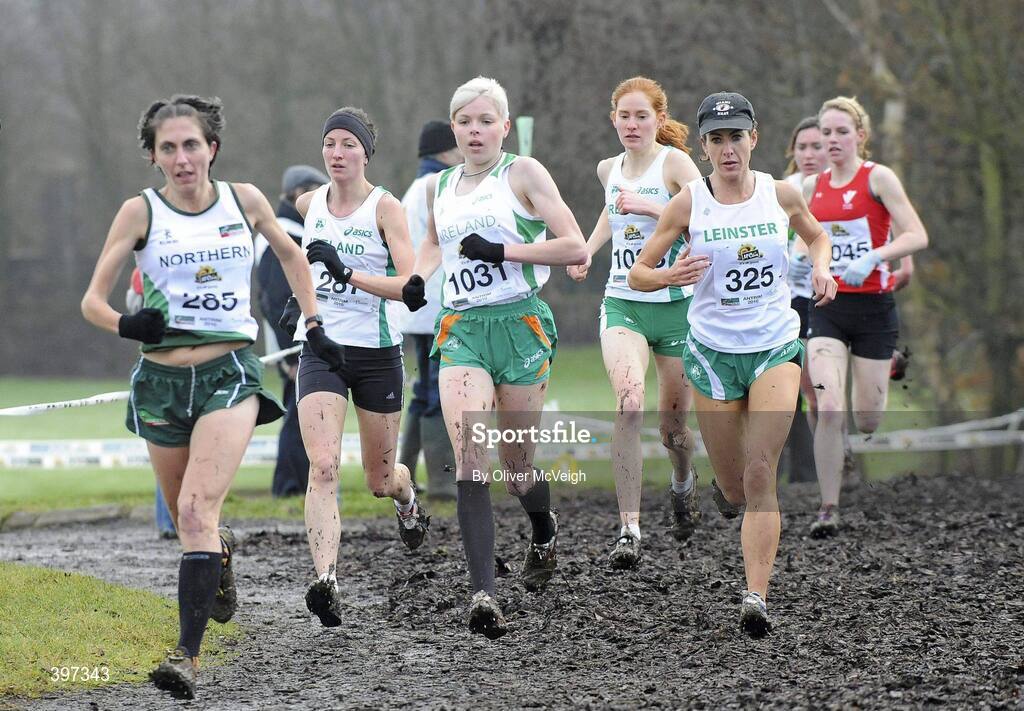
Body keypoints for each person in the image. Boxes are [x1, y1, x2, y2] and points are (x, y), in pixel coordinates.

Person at [81, 95, 345, 699]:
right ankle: (219, 554)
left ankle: (185, 657)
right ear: (153, 156)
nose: (182, 158)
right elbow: (92, 301)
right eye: (168, 148)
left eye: (191, 145)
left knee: (198, 511)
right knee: (188, 521)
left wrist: (315, 325)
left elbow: (290, 253)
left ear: (212, 149)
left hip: (229, 372)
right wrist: (128, 325)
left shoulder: (244, 200)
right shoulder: (137, 213)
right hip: (160, 382)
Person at [628, 92, 838, 637]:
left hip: (773, 346)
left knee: (761, 469)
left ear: (754, 138)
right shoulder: (688, 203)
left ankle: (755, 597)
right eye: (716, 139)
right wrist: (670, 277)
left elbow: (817, 235)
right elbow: (639, 274)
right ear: (703, 147)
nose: (728, 149)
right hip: (714, 354)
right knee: (736, 487)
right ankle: (724, 492)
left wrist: (821, 269)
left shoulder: (779, 193)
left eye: (736, 137)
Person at [401, 76, 587, 638]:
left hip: (521, 323)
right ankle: (484, 594)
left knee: (516, 469)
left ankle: (543, 528)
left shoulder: (523, 173)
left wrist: (504, 250)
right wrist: (417, 275)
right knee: (469, 455)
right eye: (465, 121)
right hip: (461, 328)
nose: (475, 131)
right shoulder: (441, 185)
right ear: (453, 127)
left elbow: (574, 245)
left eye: (486, 121)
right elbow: (433, 243)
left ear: (504, 125)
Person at [293, 107, 429, 629]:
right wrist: (301, 300)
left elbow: (410, 289)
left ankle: (408, 498)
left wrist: (344, 270)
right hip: (323, 351)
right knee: (323, 466)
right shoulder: (309, 204)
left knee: (378, 478)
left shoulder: (385, 208)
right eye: (329, 143)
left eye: (348, 143)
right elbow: (295, 265)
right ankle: (326, 580)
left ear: (365, 152)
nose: (337, 153)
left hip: (376, 355)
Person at [567, 77, 702, 569]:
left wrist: (651, 206)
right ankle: (629, 527)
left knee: (674, 429)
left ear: (659, 120)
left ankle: (683, 481)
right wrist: (587, 249)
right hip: (623, 302)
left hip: (676, 307)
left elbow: (704, 222)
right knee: (628, 403)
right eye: (624, 116)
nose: (632, 124)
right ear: (613, 119)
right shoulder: (608, 168)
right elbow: (609, 214)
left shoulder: (676, 165)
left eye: (641, 116)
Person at [804, 96, 928, 537]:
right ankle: (828, 507)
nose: (832, 140)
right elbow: (800, 240)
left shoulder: (878, 178)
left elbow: (917, 234)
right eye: (826, 132)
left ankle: (888, 362)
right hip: (829, 307)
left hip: (875, 307)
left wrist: (876, 255)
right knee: (829, 404)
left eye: (841, 132)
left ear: (860, 135)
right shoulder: (810, 187)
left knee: (868, 419)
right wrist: (800, 260)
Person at [394, 120, 463, 500]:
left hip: (418, 308)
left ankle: (403, 468)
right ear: (445, 151)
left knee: (423, 392)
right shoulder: (440, 186)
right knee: (438, 392)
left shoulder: (412, 189)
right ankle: (442, 481)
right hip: (438, 303)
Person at [255, 165, 328, 497]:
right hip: (295, 342)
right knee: (299, 413)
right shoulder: (282, 233)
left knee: (304, 411)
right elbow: (276, 296)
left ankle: (296, 485)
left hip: (303, 337)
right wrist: (290, 350)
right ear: (299, 193)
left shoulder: (293, 230)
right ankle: (288, 487)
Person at [780, 116, 828, 484]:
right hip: (786, 297)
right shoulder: (783, 190)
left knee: (817, 387)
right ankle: (786, 472)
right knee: (783, 388)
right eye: (803, 147)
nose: (810, 154)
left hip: (831, 295)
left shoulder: (843, 186)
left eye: (818, 146)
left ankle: (824, 468)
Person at [126, 266, 179, 538]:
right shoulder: (144, 268)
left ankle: (172, 523)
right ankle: (171, 523)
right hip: (159, 368)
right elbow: (134, 307)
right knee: (168, 445)